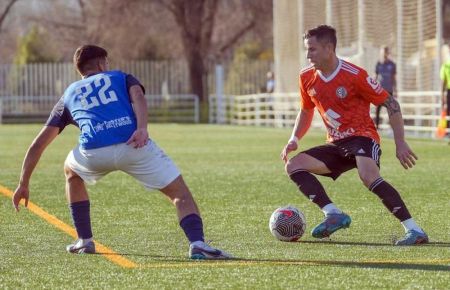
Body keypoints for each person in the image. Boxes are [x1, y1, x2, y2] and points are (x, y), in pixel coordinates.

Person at [12, 45, 231, 259]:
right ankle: (197, 243)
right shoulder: (120, 76)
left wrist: (23, 183)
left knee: (71, 171)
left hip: (93, 153)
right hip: (133, 145)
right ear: (100, 63)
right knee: (180, 194)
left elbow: (38, 143)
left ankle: (84, 241)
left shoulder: (68, 94)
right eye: (106, 61)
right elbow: (138, 96)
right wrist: (142, 128)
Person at [280, 25, 428, 246]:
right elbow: (306, 110)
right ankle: (333, 214)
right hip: (335, 144)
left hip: (362, 137)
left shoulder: (355, 75)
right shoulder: (306, 77)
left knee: (368, 176)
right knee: (293, 165)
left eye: (312, 49)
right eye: (307, 50)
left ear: (329, 48)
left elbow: (391, 103)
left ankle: (414, 230)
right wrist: (294, 138)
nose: (308, 55)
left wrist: (400, 143)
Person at [375, 46, 397, 129]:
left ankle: (391, 127)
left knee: (390, 109)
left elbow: (394, 78)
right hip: (379, 90)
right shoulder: (378, 64)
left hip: (389, 90)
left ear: (388, 53)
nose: (384, 54)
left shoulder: (392, 64)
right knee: (378, 109)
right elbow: (375, 76)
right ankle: (377, 127)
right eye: (383, 52)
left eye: (385, 52)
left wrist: (395, 89)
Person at [440, 45, 450, 138]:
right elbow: (443, 82)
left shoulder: (446, 64)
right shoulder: (445, 65)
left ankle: (448, 133)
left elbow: (443, 82)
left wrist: (442, 95)